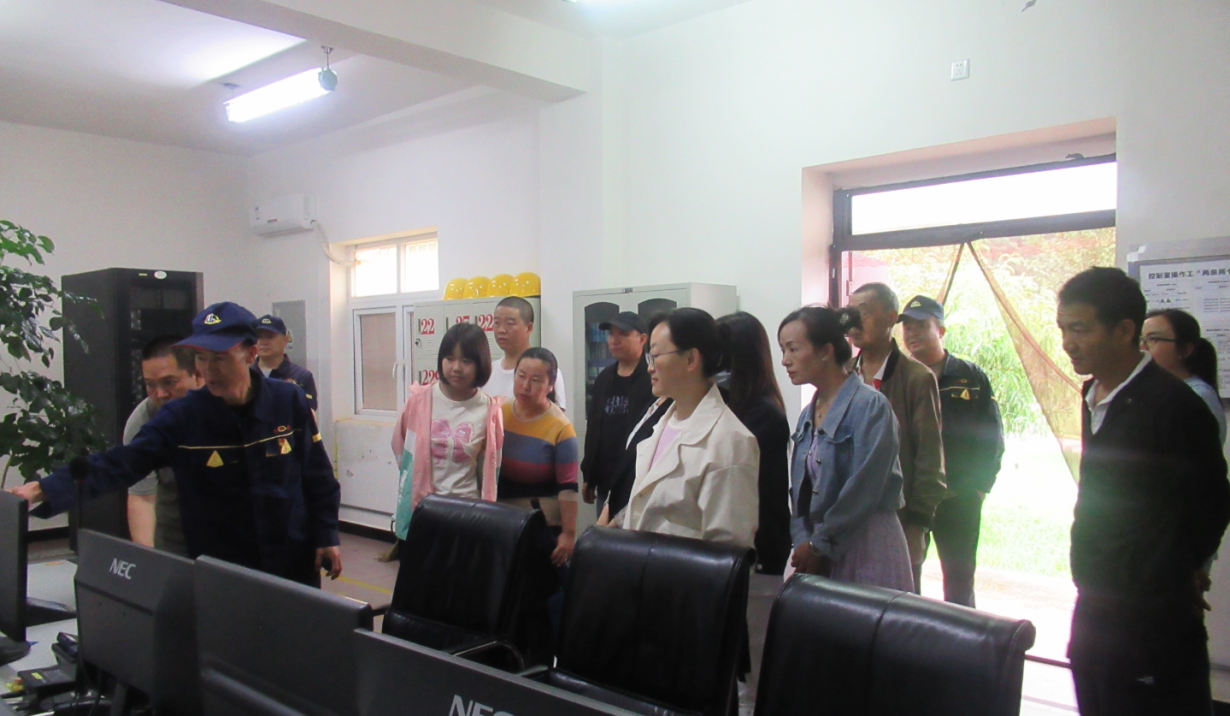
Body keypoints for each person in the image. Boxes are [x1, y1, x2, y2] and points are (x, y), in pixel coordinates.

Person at [7, 302, 343, 586]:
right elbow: (120, 463)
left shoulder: (288, 400)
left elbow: (317, 474)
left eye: (220, 358)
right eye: (201, 359)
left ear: (250, 353)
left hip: (292, 558)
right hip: (223, 567)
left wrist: (326, 533)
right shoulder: (182, 417)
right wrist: (43, 489)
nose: (209, 370)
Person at [1057, 267, 1229, 716]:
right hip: (1096, 603)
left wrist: (1174, 571)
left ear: (1124, 330)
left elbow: (1210, 505)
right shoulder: (1094, 393)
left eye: (1080, 329)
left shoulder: (1175, 406)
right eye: (1063, 329)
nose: (1068, 342)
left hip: (1151, 618)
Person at [779, 305, 913, 591]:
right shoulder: (807, 414)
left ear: (826, 351)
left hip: (866, 544)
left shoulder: (870, 406)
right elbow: (799, 490)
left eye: (793, 349)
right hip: (818, 546)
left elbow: (864, 489)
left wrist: (818, 545)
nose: (785, 361)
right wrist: (803, 539)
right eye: (783, 350)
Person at [618, 307, 760, 551]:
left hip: (680, 575)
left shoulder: (730, 440)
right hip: (641, 567)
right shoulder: (663, 423)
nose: (649, 367)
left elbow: (728, 550)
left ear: (691, 359)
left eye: (655, 356)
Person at [900, 295, 1004, 607]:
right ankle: (909, 634)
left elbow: (991, 436)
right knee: (907, 578)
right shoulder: (899, 376)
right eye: (907, 327)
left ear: (941, 330)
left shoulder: (969, 377)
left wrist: (979, 488)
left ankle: (961, 636)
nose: (912, 333)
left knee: (959, 580)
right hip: (911, 498)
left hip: (959, 497)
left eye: (921, 326)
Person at [846, 282, 947, 593]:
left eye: (863, 313)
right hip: (848, 518)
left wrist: (918, 524)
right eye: (850, 314)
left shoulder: (916, 378)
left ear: (891, 318)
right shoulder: (844, 374)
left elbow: (930, 458)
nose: (854, 322)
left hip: (897, 517)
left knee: (898, 603)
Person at [716, 311, 792, 714]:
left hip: (760, 555)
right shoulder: (731, 405)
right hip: (732, 555)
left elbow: (749, 489)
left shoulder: (763, 414)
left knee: (752, 676)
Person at [390, 322, 504, 549]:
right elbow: (400, 447)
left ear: (480, 363)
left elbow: (490, 469)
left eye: (466, 361)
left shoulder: (490, 411)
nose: (456, 368)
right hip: (423, 507)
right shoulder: (418, 400)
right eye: (449, 359)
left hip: (467, 512)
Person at [498, 347, 579, 565]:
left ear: (551, 385)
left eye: (535, 380)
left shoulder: (561, 428)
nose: (525, 386)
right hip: (501, 521)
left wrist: (569, 534)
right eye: (521, 376)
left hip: (542, 525)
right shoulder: (500, 412)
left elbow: (568, 488)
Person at [126, 335, 203, 556]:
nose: (160, 394)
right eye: (150, 385)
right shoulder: (143, 420)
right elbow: (143, 497)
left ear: (198, 375)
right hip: (174, 536)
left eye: (170, 382)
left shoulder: (226, 405)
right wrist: (147, 559)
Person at [580, 311, 654, 516]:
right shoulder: (604, 379)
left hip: (640, 481)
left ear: (642, 339)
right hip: (606, 481)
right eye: (611, 334)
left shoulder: (652, 378)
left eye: (623, 334)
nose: (614, 340)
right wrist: (589, 475)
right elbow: (594, 430)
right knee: (605, 533)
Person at [1142, 308, 1226, 443]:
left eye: (1153, 339)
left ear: (1186, 349)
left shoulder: (1197, 395)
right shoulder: (1153, 389)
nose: (1142, 347)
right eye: (1141, 339)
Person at [486, 296, 567, 411]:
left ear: (528, 328)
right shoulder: (488, 372)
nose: (501, 330)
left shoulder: (547, 372)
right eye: (497, 323)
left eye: (509, 323)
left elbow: (555, 417)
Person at [254, 314, 318, 414]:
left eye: (270, 337)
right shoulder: (244, 374)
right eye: (259, 337)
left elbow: (308, 414)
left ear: (285, 340)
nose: (263, 342)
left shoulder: (301, 377)